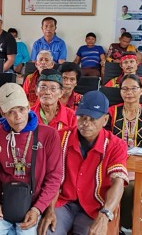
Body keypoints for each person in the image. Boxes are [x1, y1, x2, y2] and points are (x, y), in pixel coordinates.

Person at [38, 91, 128, 235]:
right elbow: (51, 177)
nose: (85, 123)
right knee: (48, 231)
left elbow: (118, 182)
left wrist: (105, 214)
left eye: (92, 119)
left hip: (95, 206)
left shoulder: (116, 145)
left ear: (105, 120)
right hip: (63, 203)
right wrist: (49, 209)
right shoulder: (60, 137)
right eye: (81, 117)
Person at [0, 83, 62, 235]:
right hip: (3, 203)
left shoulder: (49, 135)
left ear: (28, 106)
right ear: (2, 113)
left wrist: (37, 208)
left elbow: (54, 177)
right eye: (11, 112)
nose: (18, 116)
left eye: (21, 109)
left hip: (33, 203)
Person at [107, 74, 140, 231]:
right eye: (125, 89)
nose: (129, 92)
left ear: (141, 91)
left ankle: (128, 226)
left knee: (132, 187)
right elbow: (103, 138)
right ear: (120, 92)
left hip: (139, 166)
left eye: (134, 88)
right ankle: (121, 226)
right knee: (123, 186)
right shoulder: (112, 112)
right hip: (116, 163)